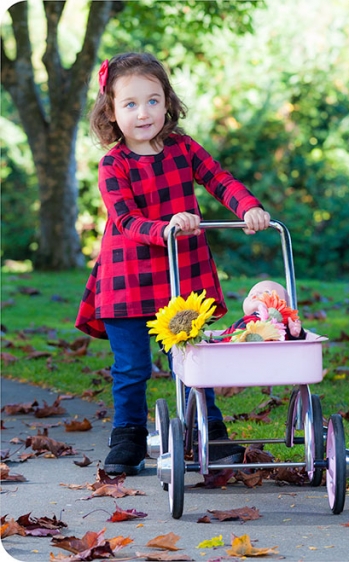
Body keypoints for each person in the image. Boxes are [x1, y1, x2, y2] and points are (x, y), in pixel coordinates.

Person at [75, 52, 271, 476]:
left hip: (182, 275)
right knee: (131, 367)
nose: (143, 113)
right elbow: (125, 219)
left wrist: (248, 208)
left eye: (152, 100)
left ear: (167, 102)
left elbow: (219, 179)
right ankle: (127, 436)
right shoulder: (114, 163)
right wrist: (165, 227)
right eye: (129, 104)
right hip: (128, 278)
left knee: (190, 357)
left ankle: (207, 431)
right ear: (111, 110)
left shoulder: (183, 148)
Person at [219, 280, 305, 341]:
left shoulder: (279, 327)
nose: (255, 295)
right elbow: (223, 339)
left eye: (266, 292)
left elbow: (292, 345)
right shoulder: (244, 322)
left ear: (281, 306)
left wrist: (295, 334)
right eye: (251, 294)